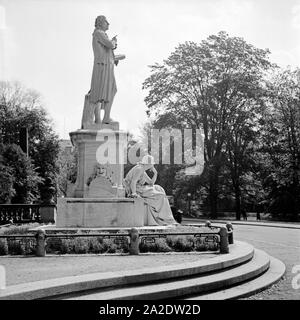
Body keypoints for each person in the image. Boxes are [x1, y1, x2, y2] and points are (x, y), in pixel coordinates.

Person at [123, 155, 178, 226]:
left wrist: (155, 173)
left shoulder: (142, 170)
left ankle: (166, 217)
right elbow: (133, 182)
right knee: (160, 195)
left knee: (159, 188)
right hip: (137, 189)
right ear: (148, 163)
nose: (153, 165)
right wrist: (134, 193)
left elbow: (151, 183)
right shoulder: (139, 169)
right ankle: (163, 217)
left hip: (141, 188)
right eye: (152, 163)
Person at [89, 15, 118, 124]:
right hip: (102, 65)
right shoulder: (99, 33)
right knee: (100, 92)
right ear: (101, 23)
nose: (108, 24)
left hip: (106, 65)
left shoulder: (100, 34)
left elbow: (108, 49)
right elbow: (110, 44)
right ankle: (99, 118)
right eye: (106, 22)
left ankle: (104, 117)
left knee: (109, 90)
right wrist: (114, 41)